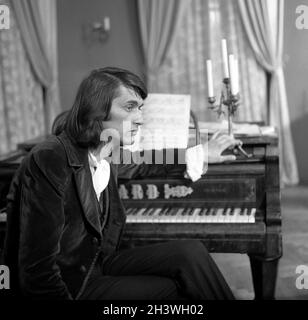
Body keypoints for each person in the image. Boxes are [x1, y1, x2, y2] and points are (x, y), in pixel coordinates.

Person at [4, 67, 240, 300]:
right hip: (70, 283)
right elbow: (37, 269)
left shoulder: (107, 149)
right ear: (96, 110)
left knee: (191, 253)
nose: (141, 118)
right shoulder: (50, 158)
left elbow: (145, 161)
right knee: (179, 288)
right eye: (130, 107)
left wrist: (201, 152)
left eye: (141, 108)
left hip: (97, 260)